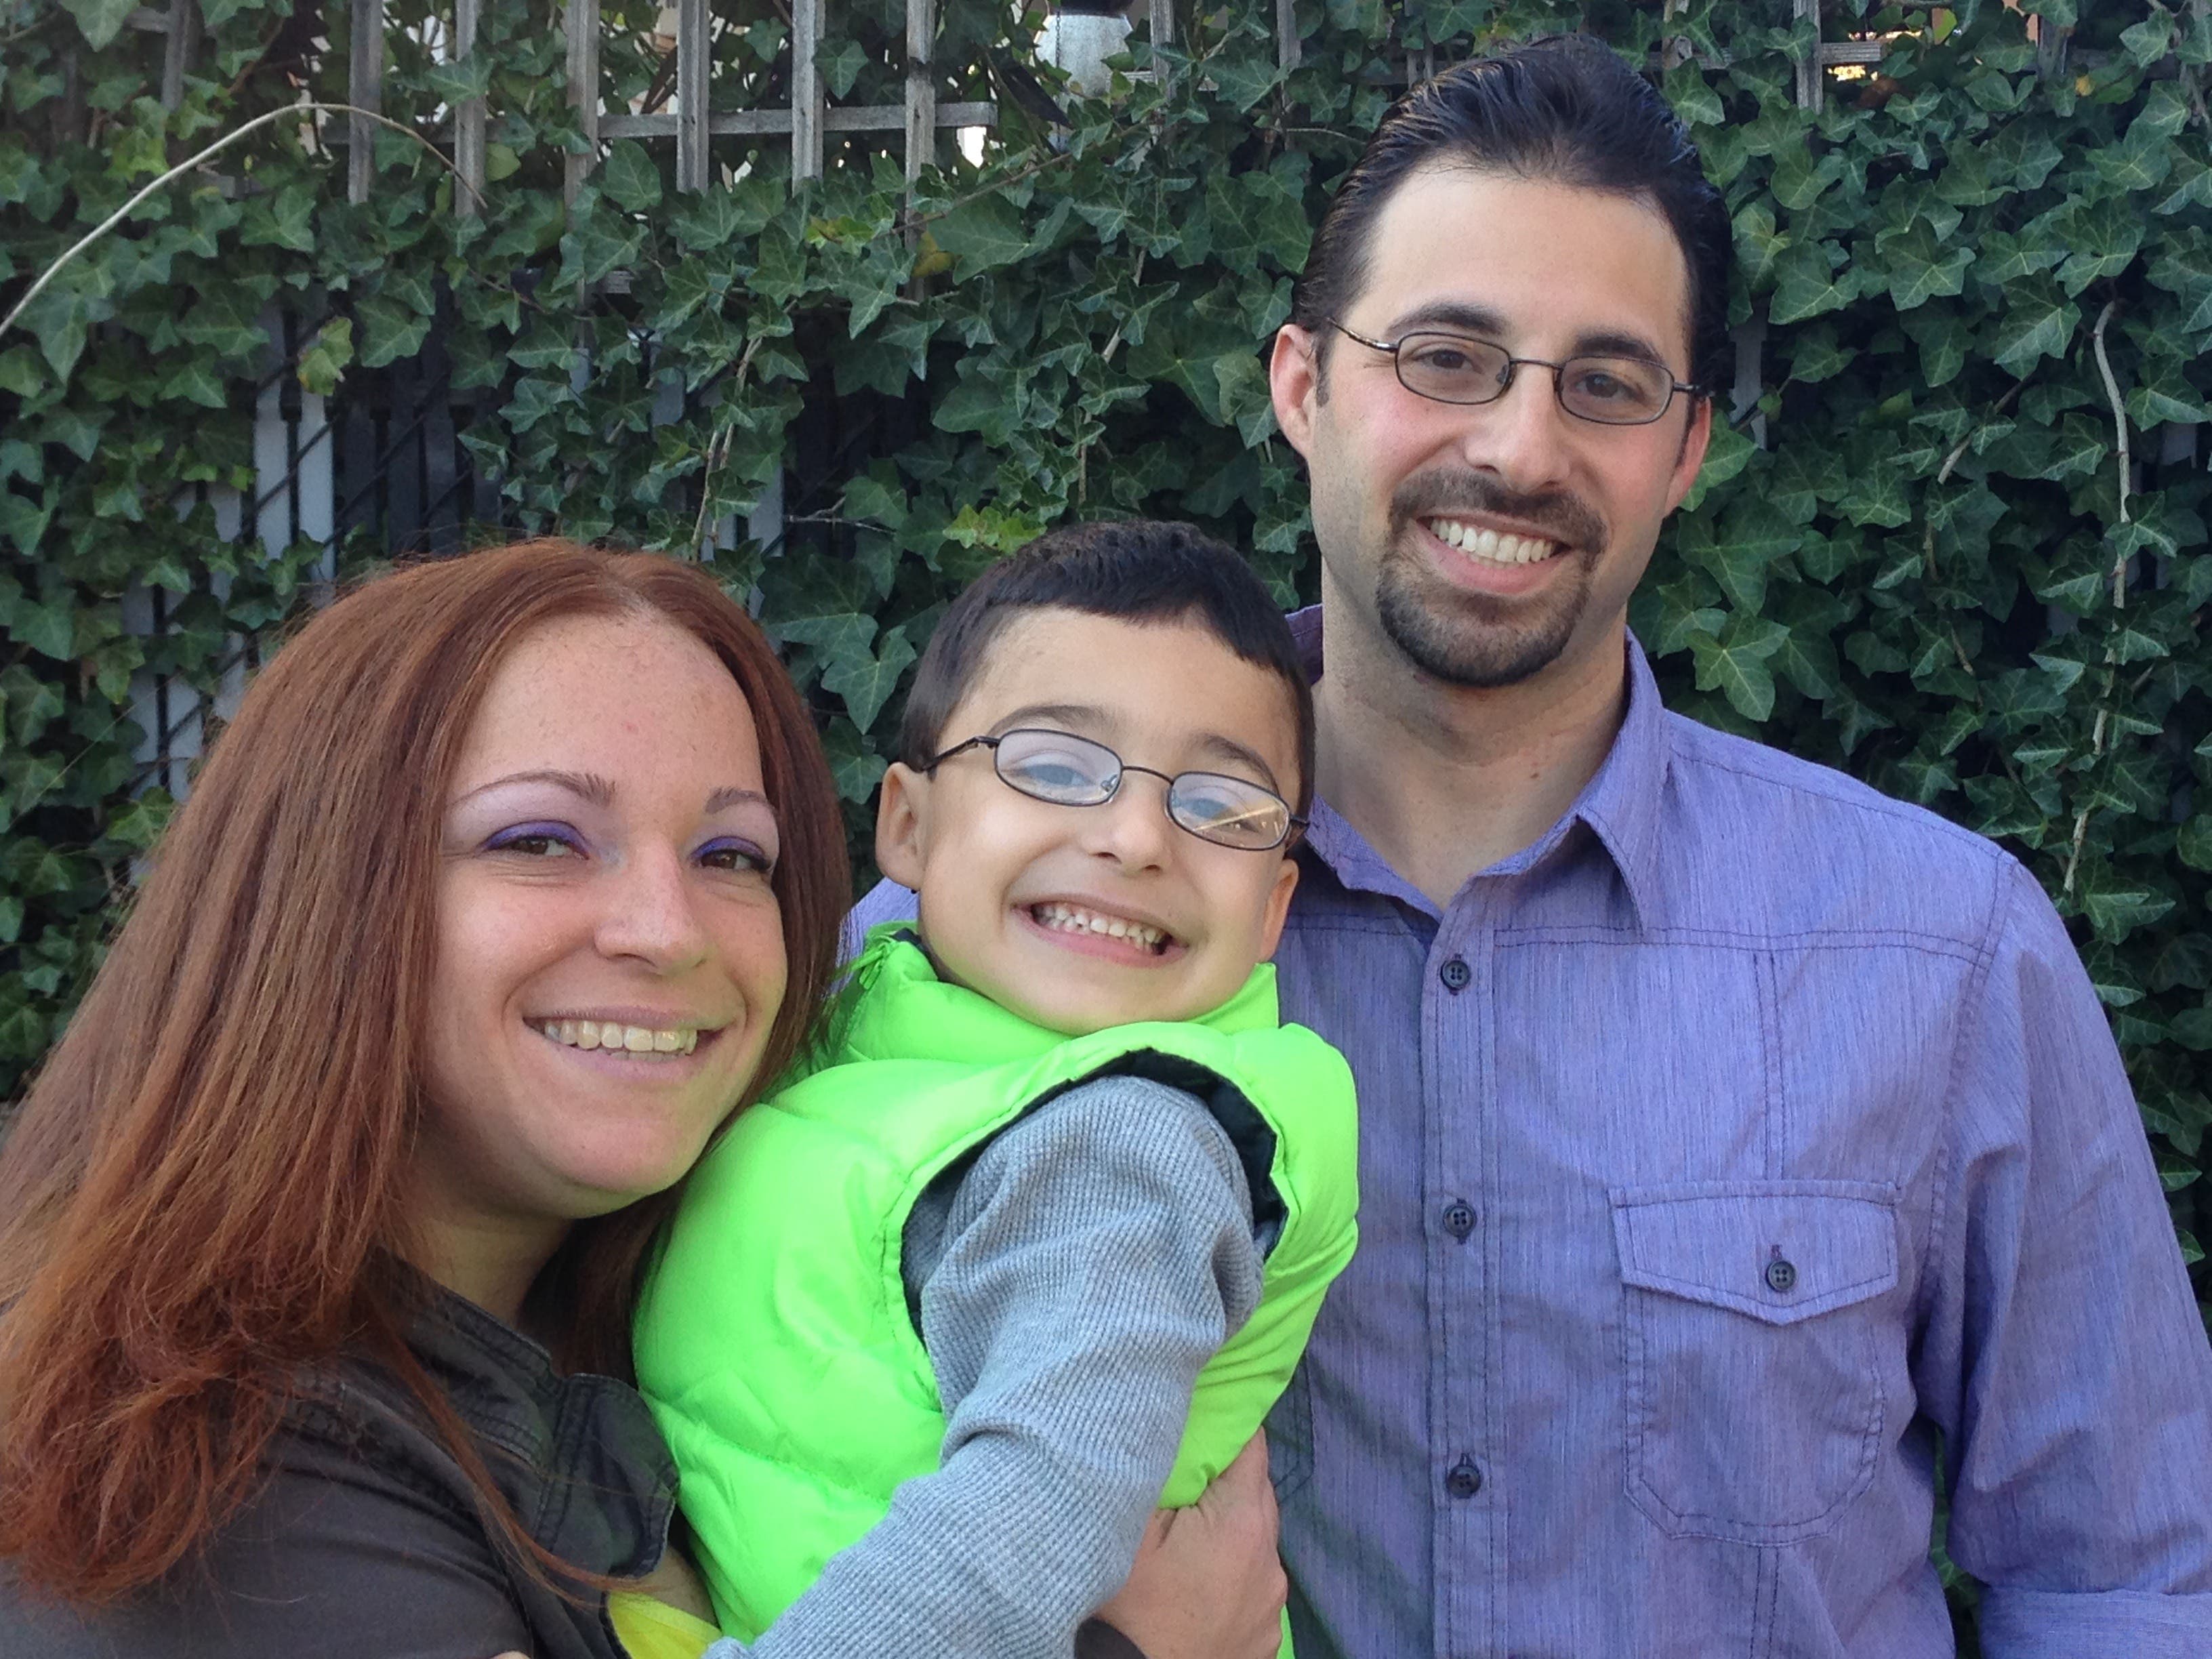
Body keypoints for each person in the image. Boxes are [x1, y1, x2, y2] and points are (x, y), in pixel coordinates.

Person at [848, 33, 2212, 1659]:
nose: (1517, 448)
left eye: (1608, 386)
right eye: (1446, 357)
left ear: (1685, 451)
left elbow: (2127, 1581)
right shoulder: (1001, 922)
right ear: (1301, 387)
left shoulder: (1941, 953)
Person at [0, 539, 1288, 1659]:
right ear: (317, 889)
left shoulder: (670, 1295)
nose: (669, 930)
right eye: (539, 840)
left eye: (733, 855)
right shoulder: (208, 1472)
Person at [638, 520, 1358, 1659]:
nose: (1136, 837)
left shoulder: (1129, 1144)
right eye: (1056, 767)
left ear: (1273, 908)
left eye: (1222, 806)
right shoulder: (859, 1040)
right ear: (909, 826)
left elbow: (1030, 1516)